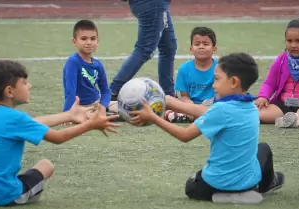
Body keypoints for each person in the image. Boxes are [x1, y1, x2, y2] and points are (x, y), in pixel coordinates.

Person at [0, 60, 121, 206]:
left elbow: (32, 124)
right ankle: (12, 191)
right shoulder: (15, 118)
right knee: (46, 165)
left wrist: (69, 115)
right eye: (24, 82)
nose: (29, 86)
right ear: (9, 91)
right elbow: (57, 138)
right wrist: (90, 125)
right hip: (2, 195)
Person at [129, 52, 284, 204]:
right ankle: (261, 187)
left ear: (234, 82)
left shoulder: (221, 110)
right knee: (263, 149)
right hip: (247, 183)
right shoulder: (250, 105)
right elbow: (210, 114)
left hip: (216, 184)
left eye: (216, 79)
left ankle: (225, 196)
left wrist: (153, 117)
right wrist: (172, 102)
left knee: (192, 187)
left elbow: (184, 135)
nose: (213, 84)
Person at [109, 0, 177, 100]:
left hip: (155, 4)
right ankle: (113, 91)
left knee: (168, 47)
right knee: (144, 49)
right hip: (153, 3)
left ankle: (168, 94)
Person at [63, 19, 117, 120]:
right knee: (92, 118)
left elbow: (105, 91)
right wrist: (66, 115)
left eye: (93, 39)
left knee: (127, 108)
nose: (89, 42)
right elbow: (70, 92)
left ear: (97, 41)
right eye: (84, 39)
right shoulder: (73, 62)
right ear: (75, 42)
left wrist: (103, 106)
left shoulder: (98, 64)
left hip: (97, 104)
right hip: (80, 108)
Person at [165, 27, 217, 123]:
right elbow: (184, 96)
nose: (201, 47)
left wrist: (206, 105)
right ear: (191, 49)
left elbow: (221, 94)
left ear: (214, 49)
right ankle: (195, 116)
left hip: (213, 105)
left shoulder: (220, 68)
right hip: (190, 106)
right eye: (197, 44)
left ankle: (187, 116)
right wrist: (192, 107)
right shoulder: (184, 69)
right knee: (167, 99)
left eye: (206, 44)